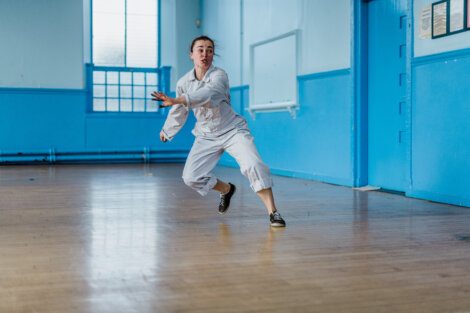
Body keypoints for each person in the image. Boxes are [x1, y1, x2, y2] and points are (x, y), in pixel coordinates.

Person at [151, 35, 285, 227]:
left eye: (209, 50)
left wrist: (178, 99)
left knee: (253, 164)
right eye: (200, 49)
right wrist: (167, 130)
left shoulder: (219, 76)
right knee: (191, 177)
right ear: (191, 54)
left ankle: (273, 212)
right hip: (205, 134)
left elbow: (208, 94)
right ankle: (226, 190)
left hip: (232, 130)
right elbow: (179, 111)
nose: (205, 54)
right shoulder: (183, 82)